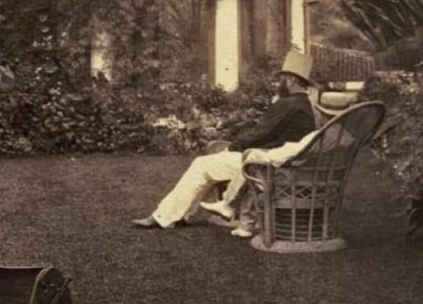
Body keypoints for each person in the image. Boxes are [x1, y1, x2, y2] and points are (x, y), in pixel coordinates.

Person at [132, 50, 317, 233]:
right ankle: (177, 215)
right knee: (206, 165)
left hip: (264, 166)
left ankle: (165, 217)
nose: (278, 84)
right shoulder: (304, 106)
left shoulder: (287, 104)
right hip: (283, 164)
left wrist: (232, 147)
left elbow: (260, 133)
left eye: (281, 79)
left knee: (201, 165)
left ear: (290, 80)